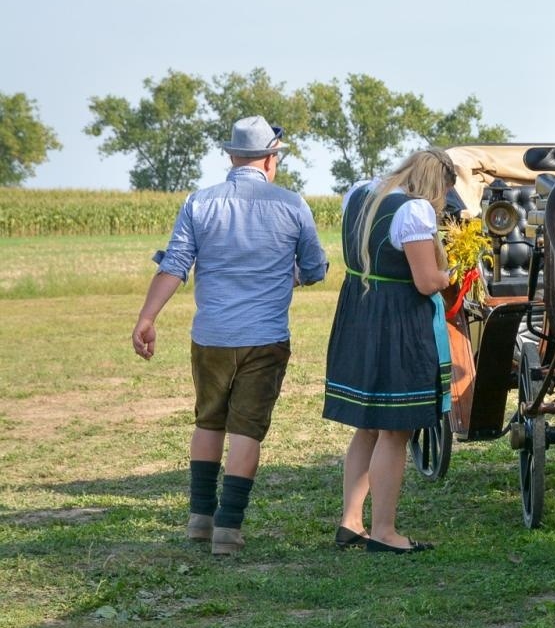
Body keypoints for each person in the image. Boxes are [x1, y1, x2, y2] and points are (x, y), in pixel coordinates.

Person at [133, 116, 328, 556]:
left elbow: (174, 266)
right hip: (265, 336)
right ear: (270, 159)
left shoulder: (199, 203)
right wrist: (285, 277)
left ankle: (199, 519)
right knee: (246, 432)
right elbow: (314, 268)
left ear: (231, 155)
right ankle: (228, 529)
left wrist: (147, 318)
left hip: (212, 335)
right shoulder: (292, 204)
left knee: (208, 421)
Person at [323, 149, 456, 555]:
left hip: (359, 312)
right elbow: (426, 282)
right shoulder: (414, 212)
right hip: (395, 322)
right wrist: (458, 272)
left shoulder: (360, 193)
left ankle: (350, 522)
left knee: (368, 424)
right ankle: (383, 530)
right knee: (395, 429)